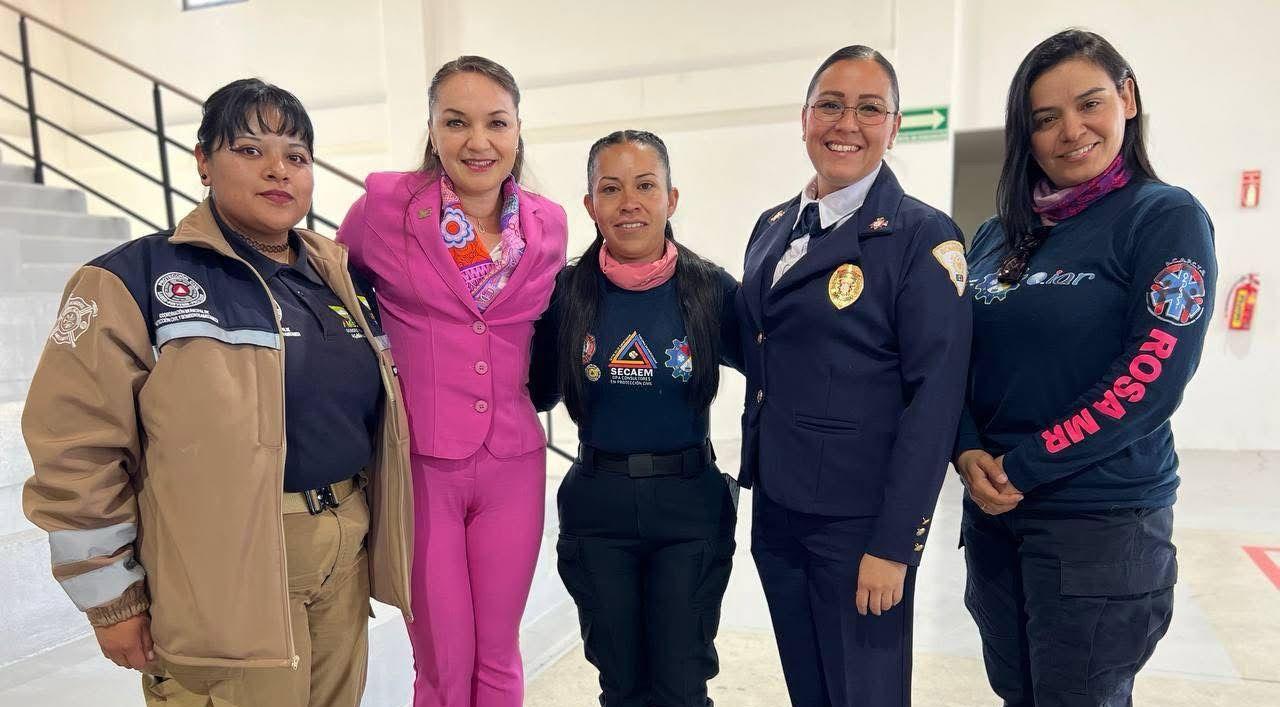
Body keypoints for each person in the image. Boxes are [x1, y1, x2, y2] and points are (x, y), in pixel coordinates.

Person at [21, 78, 412, 707]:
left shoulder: (338, 277)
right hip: (223, 568)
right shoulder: (134, 280)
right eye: (250, 150)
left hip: (342, 544)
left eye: (296, 155)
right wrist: (110, 596)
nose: (278, 170)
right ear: (203, 161)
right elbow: (76, 448)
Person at [955, 29, 1216, 706]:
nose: (1070, 131)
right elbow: (955, 358)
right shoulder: (997, 236)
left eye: (1089, 103)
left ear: (1127, 98)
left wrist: (1025, 465)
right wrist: (966, 448)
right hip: (995, 510)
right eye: (1046, 118)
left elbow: (1150, 376)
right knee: (1017, 691)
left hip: (1097, 520)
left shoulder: (1163, 217)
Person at [736, 46, 973, 707]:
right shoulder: (773, 227)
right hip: (778, 509)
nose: (847, 123)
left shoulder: (921, 237)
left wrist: (895, 545)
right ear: (804, 118)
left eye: (870, 108)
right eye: (831, 105)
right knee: (809, 690)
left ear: (894, 127)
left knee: (865, 693)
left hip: (859, 524)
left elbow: (935, 400)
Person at [337, 56, 567, 707]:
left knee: (497, 654)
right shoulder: (383, 208)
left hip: (514, 461)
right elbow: (334, 295)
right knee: (443, 660)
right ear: (433, 128)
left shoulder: (549, 223)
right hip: (420, 465)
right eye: (456, 122)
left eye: (496, 122)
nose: (478, 141)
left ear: (517, 129)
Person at [529, 129, 742, 707]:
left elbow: (781, 375)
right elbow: (534, 392)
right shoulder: (566, 293)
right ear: (590, 204)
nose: (629, 203)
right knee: (620, 685)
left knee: (680, 684)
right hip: (598, 509)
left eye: (646, 186)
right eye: (611, 188)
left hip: (689, 507)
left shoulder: (710, 290)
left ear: (671, 198)